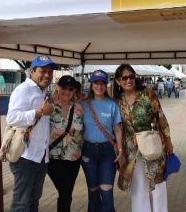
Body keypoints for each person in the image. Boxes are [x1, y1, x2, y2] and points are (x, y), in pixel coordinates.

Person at [113, 64, 174, 212]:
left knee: (158, 184)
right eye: (124, 78)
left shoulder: (148, 95)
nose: (129, 80)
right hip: (132, 150)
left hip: (153, 144)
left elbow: (161, 118)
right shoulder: (117, 101)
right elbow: (117, 127)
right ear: (118, 81)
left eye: (131, 77)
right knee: (138, 186)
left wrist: (168, 141)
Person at [6, 55, 57, 212]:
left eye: (50, 71)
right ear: (32, 71)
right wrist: (40, 111)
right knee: (21, 203)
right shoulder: (23, 90)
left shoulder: (44, 90)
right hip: (25, 156)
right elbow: (12, 118)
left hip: (40, 155)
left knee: (34, 200)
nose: (47, 75)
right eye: (43, 71)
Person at [81, 70, 123, 212]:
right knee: (93, 190)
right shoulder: (83, 104)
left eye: (103, 83)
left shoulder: (112, 105)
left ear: (106, 85)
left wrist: (121, 150)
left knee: (106, 191)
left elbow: (117, 129)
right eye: (96, 83)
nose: (100, 86)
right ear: (91, 85)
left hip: (107, 152)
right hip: (88, 151)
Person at [48, 75, 84, 212]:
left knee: (67, 193)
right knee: (64, 190)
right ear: (57, 87)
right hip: (54, 158)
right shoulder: (49, 107)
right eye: (64, 87)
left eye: (71, 89)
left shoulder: (80, 109)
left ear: (74, 91)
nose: (67, 91)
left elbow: (85, 130)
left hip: (74, 158)